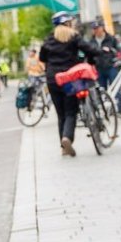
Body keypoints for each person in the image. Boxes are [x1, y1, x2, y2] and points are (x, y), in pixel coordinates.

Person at [38, 12, 107, 156]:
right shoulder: (73, 36)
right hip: (69, 79)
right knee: (70, 111)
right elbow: (89, 49)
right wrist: (99, 53)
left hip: (53, 79)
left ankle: (64, 147)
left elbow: (42, 58)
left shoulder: (49, 39)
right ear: (68, 23)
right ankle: (67, 138)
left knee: (61, 114)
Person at [88, 23, 121, 89]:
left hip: (111, 66)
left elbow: (118, 50)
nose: (96, 30)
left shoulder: (110, 38)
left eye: (97, 28)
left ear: (102, 28)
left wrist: (119, 58)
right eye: (94, 29)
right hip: (98, 68)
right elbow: (89, 55)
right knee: (102, 89)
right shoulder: (91, 41)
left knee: (115, 88)